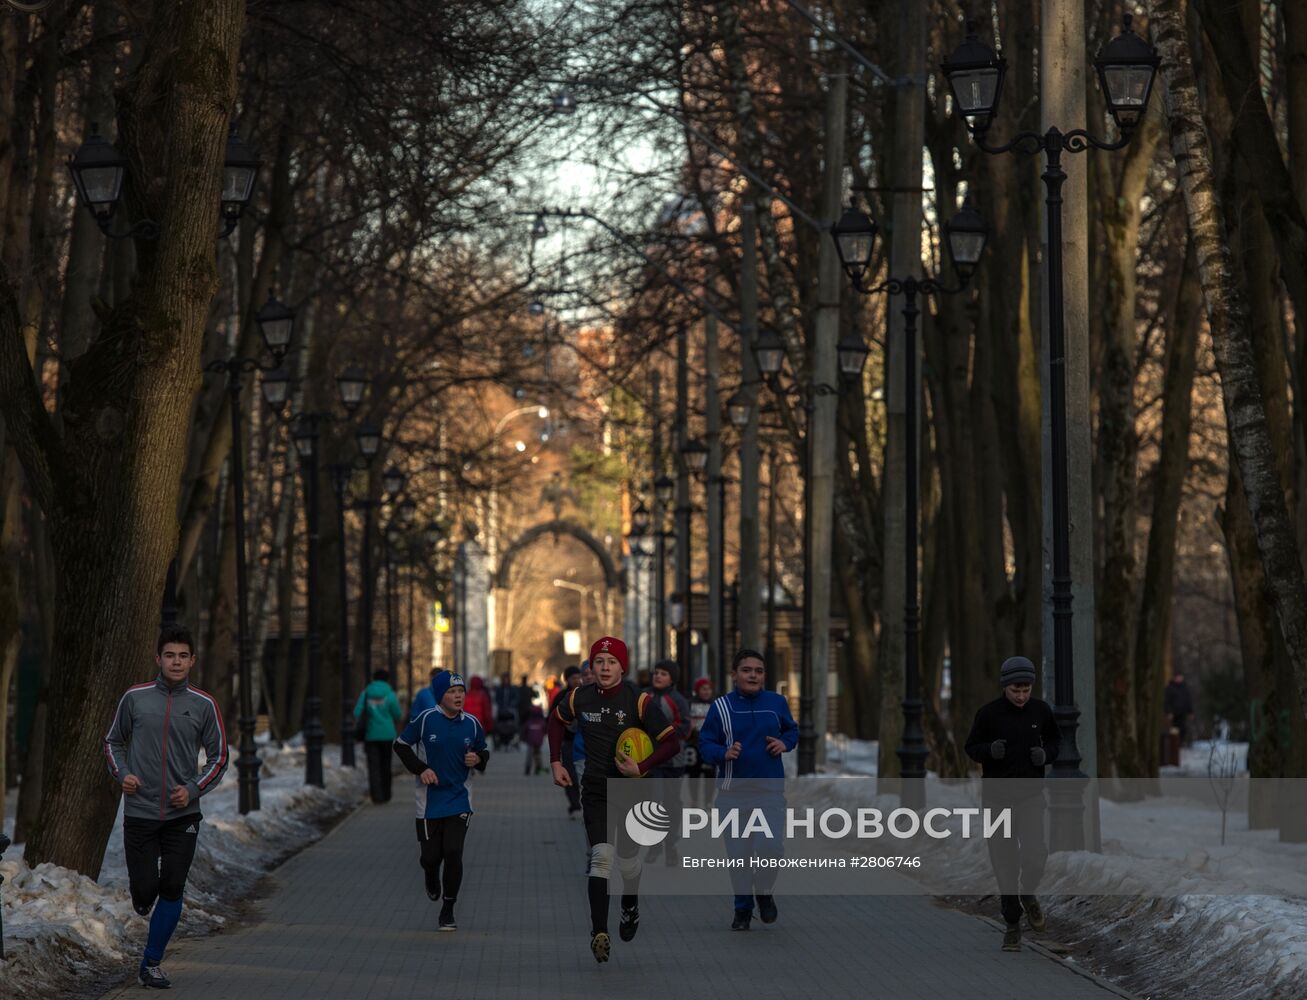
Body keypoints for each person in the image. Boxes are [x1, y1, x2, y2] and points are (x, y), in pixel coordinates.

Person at [103, 624, 229, 989]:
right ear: (158, 659)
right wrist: (122, 774)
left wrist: (192, 790)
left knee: (173, 885)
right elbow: (113, 742)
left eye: (183, 656)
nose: (176, 662)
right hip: (140, 812)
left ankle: (151, 962)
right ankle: (143, 899)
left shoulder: (204, 705)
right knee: (145, 891)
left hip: (182, 815)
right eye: (169, 655)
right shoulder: (135, 698)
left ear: (192, 661)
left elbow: (219, 757)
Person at [548, 636, 681, 963]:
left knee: (627, 860)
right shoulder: (579, 697)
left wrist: (643, 766)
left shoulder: (639, 701)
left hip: (633, 791)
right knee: (601, 857)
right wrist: (555, 761)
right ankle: (599, 933)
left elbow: (671, 743)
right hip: (595, 789)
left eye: (611, 662)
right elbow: (555, 720)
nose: (605, 668)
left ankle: (630, 904)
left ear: (623, 666)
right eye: (599, 662)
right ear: (591, 666)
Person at [964, 655, 1061, 952]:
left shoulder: (1041, 711)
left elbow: (1056, 742)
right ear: (1005, 687)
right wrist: (989, 751)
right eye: (1015, 691)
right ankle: (1012, 924)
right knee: (1003, 859)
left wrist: (1045, 756)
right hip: (996, 799)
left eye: (1026, 690)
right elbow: (971, 747)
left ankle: (1028, 893)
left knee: (1035, 853)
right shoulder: (988, 715)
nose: (1021, 696)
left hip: (1031, 796)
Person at [698, 649, 798, 931]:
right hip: (733, 794)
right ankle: (742, 910)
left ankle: (764, 892)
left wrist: (785, 743)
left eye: (758, 670)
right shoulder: (721, 707)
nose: (753, 675)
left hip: (769, 791)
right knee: (739, 855)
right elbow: (705, 743)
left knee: (772, 847)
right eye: (746, 670)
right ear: (734, 675)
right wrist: (723, 752)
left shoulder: (776, 703)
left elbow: (792, 731)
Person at [392, 670, 489, 931]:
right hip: (429, 801)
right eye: (451, 692)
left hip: (459, 798)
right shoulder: (425, 720)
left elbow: (483, 751)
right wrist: (421, 769)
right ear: (439, 696)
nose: (458, 697)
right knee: (431, 857)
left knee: (454, 852)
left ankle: (448, 909)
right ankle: (430, 875)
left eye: (461, 692)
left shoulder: (472, 723)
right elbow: (400, 745)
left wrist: (478, 759)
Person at [644, 659, 692, 863]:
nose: (658, 676)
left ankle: (671, 845)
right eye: (656, 672)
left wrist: (662, 730)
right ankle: (654, 845)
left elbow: (686, 729)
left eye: (663, 673)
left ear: (672, 679)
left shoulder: (677, 700)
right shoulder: (644, 697)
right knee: (653, 802)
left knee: (672, 804)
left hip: (673, 761)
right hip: (651, 760)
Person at [355, 669, 404, 804]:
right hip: (387, 734)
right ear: (387, 679)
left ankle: (376, 796)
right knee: (386, 764)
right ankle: (387, 794)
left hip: (370, 734)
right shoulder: (390, 694)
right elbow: (397, 714)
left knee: (373, 766)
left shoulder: (366, 693)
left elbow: (357, 711)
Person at [551, 665, 584, 817]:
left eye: (579, 677)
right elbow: (552, 719)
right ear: (567, 680)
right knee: (569, 774)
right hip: (568, 742)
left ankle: (581, 802)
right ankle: (574, 803)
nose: (577, 680)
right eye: (573, 678)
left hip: (583, 742)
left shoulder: (585, 695)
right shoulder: (562, 696)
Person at [685, 676, 717, 807]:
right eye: (704, 689)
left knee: (710, 775)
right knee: (694, 775)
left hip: (710, 745)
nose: (707, 691)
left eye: (709, 689)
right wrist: (689, 726)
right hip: (693, 745)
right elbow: (684, 721)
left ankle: (708, 802)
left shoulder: (715, 704)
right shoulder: (690, 703)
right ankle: (694, 802)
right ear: (697, 690)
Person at [1163, 671, 1195, 744]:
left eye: (1180, 677)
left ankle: (1181, 743)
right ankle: (1174, 745)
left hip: (1183, 713)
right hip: (1173, 714)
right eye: (1177, 677)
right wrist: (1168, 712)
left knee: (1183, 729)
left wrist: (1190, 712)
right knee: (1174, 730)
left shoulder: (1184, 688)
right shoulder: (1170, 688)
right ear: (1174, 678)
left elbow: (1188, 700)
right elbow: (1167, 701)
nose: (1179, 679)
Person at [522, 705, 548, 774]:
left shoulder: (529, 721)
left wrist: (524, 737)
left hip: (530, 740)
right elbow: (545, 730)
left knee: (529, 755)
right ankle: (538, 767)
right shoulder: (542, 722)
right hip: (539, 741)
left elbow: (525, 730)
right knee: (538, 754)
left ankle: (528, 768)